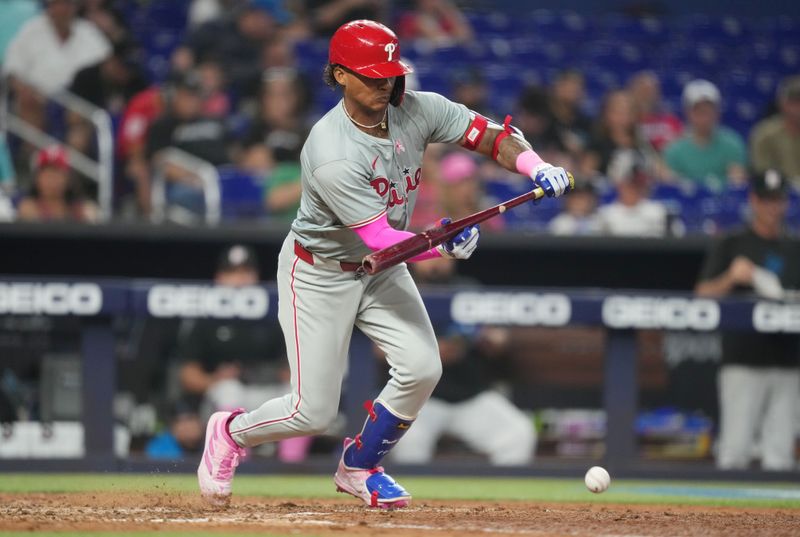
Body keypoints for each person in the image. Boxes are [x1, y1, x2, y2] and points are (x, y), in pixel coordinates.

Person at [196, 19, 572, 509]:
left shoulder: (419, 109)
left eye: (390, 73)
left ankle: (359, 465)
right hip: (320, 271)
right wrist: (439, 246)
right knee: (311, 413)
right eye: (371, 75)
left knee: (420, 367)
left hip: (380, 269)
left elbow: (489, 135)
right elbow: (378, 240)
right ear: (339, 75)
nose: (385, 83)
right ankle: (229, 431)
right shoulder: (330, 150)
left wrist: (534, 166)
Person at [695, 169, 800, 471]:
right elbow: (701, 295)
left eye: (777, 200)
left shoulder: (795, 246)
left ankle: (769, 520)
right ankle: (726, 520)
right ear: (754, 200)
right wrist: (731, 277)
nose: (771, 207)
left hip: (788, 361)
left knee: (780, 455)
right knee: (735, 450)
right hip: (742, 358)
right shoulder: (733, 242)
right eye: (765, 200)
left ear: (785, 203)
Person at [390, 257, 535, 466]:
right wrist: (428, 353)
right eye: (429, 256)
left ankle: (499, 499)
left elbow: (499, 338)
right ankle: (416, 499)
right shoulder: (399, 290)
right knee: (407, 441)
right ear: (415, 259)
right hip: (420, 399)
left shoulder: (469, 289)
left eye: (442, 256)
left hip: (470, 396)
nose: (436, 263)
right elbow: (378, 347)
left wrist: (491, 340)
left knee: (518, 434)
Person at [177, 244, 311, 462]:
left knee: (300, 396)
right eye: (232, 273)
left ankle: (290, 467)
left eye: (245, 272)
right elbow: (187, 375)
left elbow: (293, 366)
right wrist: (215, 379)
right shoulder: (206, 317)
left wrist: (276, 373)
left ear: (255, 276)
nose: (240, 280)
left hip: (267, 393)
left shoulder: (272, 311)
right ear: (219, 277)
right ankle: (236, 467)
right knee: (229, 390)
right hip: (227, 396)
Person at [3, 0, 110, 130]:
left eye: (67, 4)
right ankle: (33, 150)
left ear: (74, 7)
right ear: (49, 6)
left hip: (78, 104)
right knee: (26, 102)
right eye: (57, 4)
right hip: (40, 100)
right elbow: (12, 71)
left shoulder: (90, 33)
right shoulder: (31, 30)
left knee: (80, 118)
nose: (62, 9)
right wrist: (27, 92)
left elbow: (106, 69)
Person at [664, 79, 748, 190]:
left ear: (717, 112)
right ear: (688, 113)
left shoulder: (733, 143)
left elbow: (738, 182)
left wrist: (738, 178)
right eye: (698, 112)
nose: (703, 118)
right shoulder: (674, 149)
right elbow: (671, 186)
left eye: (708, 111)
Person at [596, 149, 668, 237]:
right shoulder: (606, 214)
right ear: (620, 186)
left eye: (636, 185)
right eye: (628, 185)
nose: (632, 189)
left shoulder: (656, 211)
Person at [16, 145, 98, 222]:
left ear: (68, 179)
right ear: (37, 178)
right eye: (48, 175)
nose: (52, 181)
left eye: (57, 175)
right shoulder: (29, 209)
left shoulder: (80, 210)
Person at [750, 75, 800, 187]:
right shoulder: (765, 134)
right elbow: (764, 173)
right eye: (793, 102)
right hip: (778, 195)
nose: (797, 108)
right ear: (782, 103)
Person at [627, 71, 682, 153]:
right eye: (641, 91)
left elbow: (681, 147)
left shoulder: (671, 121)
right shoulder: (627, 122)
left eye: (649, 91)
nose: (646, 95)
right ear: (632, 93)